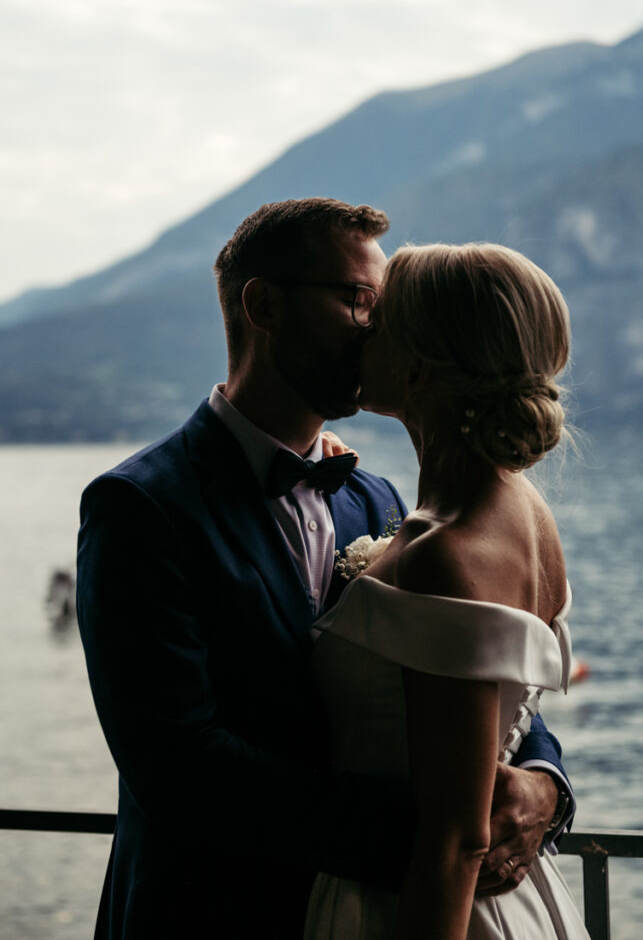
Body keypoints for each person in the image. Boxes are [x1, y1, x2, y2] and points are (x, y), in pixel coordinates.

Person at [77, 202, 573, 940]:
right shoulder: (141, 506)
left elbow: (470, 681)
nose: (377, 327)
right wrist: (441, 829)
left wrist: (542, 786)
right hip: (212, 914)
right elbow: (177, 766)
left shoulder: (378, 499)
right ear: (265, 305)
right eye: (357, 300)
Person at [304, 242, 589, 939]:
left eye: (379, 320)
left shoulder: (445, 553)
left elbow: (455, 840)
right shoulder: (520, 508)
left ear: (418, 367)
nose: (359, 334)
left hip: (426, 909)